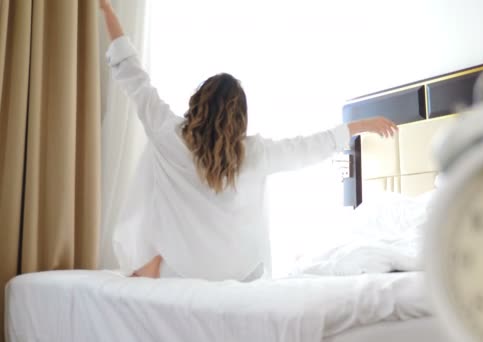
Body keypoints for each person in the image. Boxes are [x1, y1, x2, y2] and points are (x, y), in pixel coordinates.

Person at [99, 0, 397, 280]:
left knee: (155, 164)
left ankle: (149, 264)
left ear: (198, 103)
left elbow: (132, 73)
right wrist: (357, 125)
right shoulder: (255, 153)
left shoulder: (168, 133)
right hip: (243, 273)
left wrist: (107, 10)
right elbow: (306, 148)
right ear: (240, 117)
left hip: (183, 270)